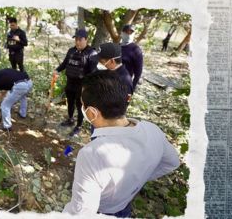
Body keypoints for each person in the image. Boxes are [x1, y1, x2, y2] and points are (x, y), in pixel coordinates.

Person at [63, 70, 180, 217]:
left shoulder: (92, 154)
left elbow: (81, 213)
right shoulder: (153, 129)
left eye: (83, 104)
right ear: (127, 98)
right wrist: (140, 176)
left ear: (92, 113)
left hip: (104, 211)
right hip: (125, 205)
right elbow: (173, 162)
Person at [53, 29, 98, 137]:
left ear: (86, 40)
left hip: (82, 86)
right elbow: (64, 64)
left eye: (80, 39)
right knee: (70, 102)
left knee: (80, 105)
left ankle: (78, 126)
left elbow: (93, 73)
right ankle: (70, 119)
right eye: (76, 39)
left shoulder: (91, 53)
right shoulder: (71, 51)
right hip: (70, 82)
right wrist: (57, 70)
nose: (77, 42)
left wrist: (87, 87)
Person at [120, 24, 143, 91]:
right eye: (126, 32)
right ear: (122, 33)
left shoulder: (136, 50)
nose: (128, 35)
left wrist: (132, 87)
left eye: (131, 33)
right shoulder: (117, 47)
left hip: (124, 84)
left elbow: (138, 72)